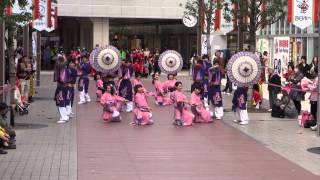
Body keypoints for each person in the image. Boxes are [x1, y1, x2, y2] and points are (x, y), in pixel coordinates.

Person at [54, 55, 70, 124]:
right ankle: (64, 116)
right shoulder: (64, 69)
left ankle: (64, 117)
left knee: (61, 101)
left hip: (62, 87)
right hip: (63, 87)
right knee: (61, 101)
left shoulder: (62, 69)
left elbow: (62, 80)